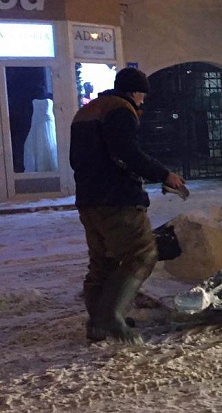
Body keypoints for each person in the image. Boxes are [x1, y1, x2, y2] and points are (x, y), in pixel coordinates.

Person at [70, 67, 185, 345]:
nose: (143, 101)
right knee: (142, 254)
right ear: (135, 92)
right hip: (117, 200)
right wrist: (163, 174)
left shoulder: (88, 110)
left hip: (89, 200)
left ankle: (98, 324)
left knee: (103, 261)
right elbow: (127, 153)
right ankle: (111, 317)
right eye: (142, 95)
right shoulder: (121, 110)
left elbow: (82, 157)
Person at [23, 85, 58, 172]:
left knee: (50, 143)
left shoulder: (50, 96)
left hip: (48, 121)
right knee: (37, 143)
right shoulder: (35, 96)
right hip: (37, 122)